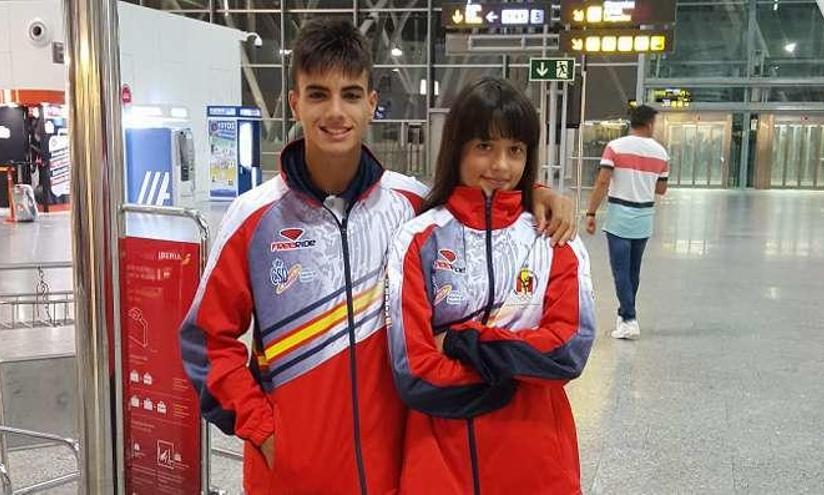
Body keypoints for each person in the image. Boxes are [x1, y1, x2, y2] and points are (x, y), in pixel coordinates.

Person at [178, 19, 576, 494]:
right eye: (318, 94)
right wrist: (261, 429)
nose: (335, 111)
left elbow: (481, 209)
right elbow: (206, 341)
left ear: (371, 103)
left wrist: (537, 193)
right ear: (295, 103)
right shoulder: (255, 217)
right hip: (292, 476)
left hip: (397, 471)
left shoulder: (412, 207)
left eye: (350, 94)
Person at [386, 77, 596, 495]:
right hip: (442, 465)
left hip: (536, 463)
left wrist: (462, 342)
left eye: (515, 150)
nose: (501, 166)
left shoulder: (552, 238)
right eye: (485, 146)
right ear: (457, 148)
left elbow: (567, 351)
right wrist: (517, 373)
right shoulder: (418, 239)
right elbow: (413, 371)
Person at [585, 104, 669, 340]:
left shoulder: (615, 147)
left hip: (619, 217)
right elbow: (661, 189)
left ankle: (630, 319)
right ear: (650, 123)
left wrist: (591, 213)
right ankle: (624, 315)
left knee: (620, 271)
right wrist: (644, 177)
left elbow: (602, 182)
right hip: (644, 219)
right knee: (633, 271)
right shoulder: (661, 153)